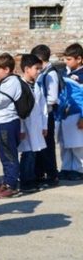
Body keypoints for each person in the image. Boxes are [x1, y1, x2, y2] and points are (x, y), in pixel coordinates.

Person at [0, 53, 23, 198]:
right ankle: (7, 181)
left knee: (9, 154)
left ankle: (12, 185)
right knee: (4, 154)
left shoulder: (12, 82)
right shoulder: (5, 82)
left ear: (7, 69)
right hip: (0, 122)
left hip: (7, 122)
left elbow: (0, 101)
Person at [17, 54, 47, 193]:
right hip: (26, 125)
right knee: (27, 154)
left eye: (40, 68)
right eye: (36, 68)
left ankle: (31, 179)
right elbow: (20, 110)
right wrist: (21, 128)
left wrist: (44, 126)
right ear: (27, 69)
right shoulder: (21, 86)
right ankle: (26, 182)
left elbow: (43, 107)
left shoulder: (37, 86)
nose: (39, 71)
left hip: (36, 125)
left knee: (33, 153)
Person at [31, 44, 60, 187]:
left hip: (47, 115)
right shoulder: (43, 72)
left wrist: (40, 105)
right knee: (40, 146)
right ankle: (40, 173)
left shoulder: (51, 74)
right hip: (40, 115)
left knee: (47, 146)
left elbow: (52, 98)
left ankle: (52, 175)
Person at [58, 43, 83, 180]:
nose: (65, 62)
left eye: (69, 59)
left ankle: (79, 170)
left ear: (79, 59)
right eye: (65, 59)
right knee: (65, 144)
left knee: (78, 144)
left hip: (77, 112)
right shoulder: (64, 73)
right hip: (64, 113)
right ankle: (66, 168)